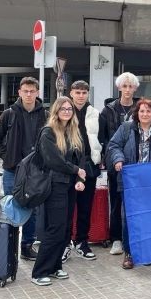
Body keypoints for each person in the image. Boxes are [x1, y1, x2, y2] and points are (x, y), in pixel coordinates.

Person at [107, 99, 151, 270]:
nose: (145, 114)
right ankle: (129, 253)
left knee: (149, 217)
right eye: (142, 111)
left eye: (149, 111)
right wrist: (118, 159)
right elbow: (113, 145)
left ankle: (146, 252)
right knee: (130, 218)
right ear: (137, 113)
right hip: (130, 182)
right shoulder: (126, 128)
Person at [31, 97, 86, 286]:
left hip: (70, 185)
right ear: (56, 111)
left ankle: (55, 267)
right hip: (54, 185)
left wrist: (79, 179)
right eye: (63, 108)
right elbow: (54, 161)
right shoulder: (48, 132)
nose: (67, 111)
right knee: (55, 228)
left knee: (64, 228)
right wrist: (76, 171)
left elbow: (81, 158)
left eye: (69, 109)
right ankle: (39, 272)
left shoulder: (73, 131)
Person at [0, 76, 48, 261]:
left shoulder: (45, 114)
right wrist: (7, 157)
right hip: (12, 171)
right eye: (26, 91)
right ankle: (9, 248)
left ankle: (26, 246)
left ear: (37, 92)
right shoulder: (9, 113)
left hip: (34, 172)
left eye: (32, 91)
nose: (29, 94)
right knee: (11, 208)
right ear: (19, 92)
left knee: (32, 209)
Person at [61, 80, 105, 264]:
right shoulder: (64, 111)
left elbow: (102, 137)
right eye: (77, 92)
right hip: (66, 166)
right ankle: (65, 244)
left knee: (85, 207)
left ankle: (82, 242)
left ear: (88, 94)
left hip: (88, 165)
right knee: (66, 208)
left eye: (84, 92)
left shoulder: (95, 113)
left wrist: (100, 158)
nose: (80, 96)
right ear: (71, 93)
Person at [100, 72, 140, 256]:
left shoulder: (141, 108)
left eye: (130, 86)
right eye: (124, 86)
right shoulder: (108, 110)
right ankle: (116, 238)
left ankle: (134, 238)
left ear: (135, 88)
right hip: (115, 163)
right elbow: (102, 137)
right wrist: (107, 157)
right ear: (119, 88)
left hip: (136, 162)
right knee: (116, 202)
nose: (127, 90)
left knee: (136, 202)